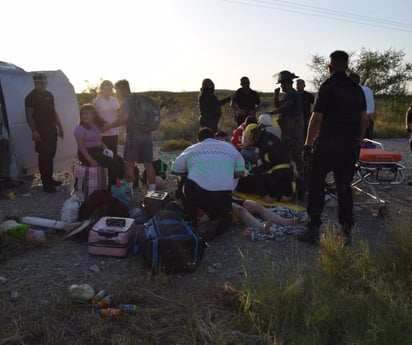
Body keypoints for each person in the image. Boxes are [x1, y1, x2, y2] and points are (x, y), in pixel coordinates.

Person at [297, 50, 369, 245]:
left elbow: (316, 117)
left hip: (327, 145)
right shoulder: (356, 88)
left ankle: (313, 229)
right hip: (348, 147)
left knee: (316, 185)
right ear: (346, 66)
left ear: (330, 66)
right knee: (344, 188)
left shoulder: (328, 87)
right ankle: (346, 232)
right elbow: (364, 118)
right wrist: (359, 141)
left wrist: (307, 145)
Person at [171, 127, 245, 237]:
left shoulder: (193, 148)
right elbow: (241, 172)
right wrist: (225, 173)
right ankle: (217, 221)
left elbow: (175, 169)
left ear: (198, 140)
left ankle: (192, 219)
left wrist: (193, 169)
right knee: (225, 217)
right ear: (215, 137)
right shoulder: (229, 147)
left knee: (182, 179)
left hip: (199, 195)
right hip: (224, 196)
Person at [102, 79, 156, 194]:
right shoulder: (139, 98)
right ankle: (152, 192)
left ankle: (129, 193)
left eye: (116, 90)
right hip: (147, 135)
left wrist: (109, 126)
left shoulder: (127, 100)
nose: (116, 93)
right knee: (148, 164)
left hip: (133, 135)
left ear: (120, 90)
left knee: (130, 164)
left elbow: (123, 119)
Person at [268, 70, 305, 200]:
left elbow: (286, 106)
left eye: (283, 84)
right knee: (285, 153)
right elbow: (279, 105)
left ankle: (302, 185)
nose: (282, 86)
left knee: (297, 154)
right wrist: (275, 96)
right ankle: (289, 181)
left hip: (294, 130)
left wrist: (272, 113)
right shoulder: (288, 94)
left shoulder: (292, 95)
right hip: (287, 129)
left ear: (288, 83)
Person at [25, 73, 64, 193]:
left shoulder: (49, 95)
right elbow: (29, 116)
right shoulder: (30, 97)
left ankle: (50, 179)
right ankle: (46, 184)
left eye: (41, 83)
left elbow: (53, 111)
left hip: (51, 129)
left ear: (46, 83)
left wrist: (60, 126)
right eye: (36, 83)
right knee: (44, 157)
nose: (39, 85)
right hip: (40, 131)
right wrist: (34, 131)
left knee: (51, 155)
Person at [73, 104, 125, 188]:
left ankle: (119, 183)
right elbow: (81, 147)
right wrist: (90, 160)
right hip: (86, 154)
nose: (84, 116)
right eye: (83, 114)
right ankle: (112, 188)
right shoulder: (79, 129)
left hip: (98, 151)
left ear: (93, 115)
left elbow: (99, 141)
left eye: (87, 113)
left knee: (119, 160)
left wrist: (108, 150)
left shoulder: (96, 126)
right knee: (112, 163)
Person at [232, 198, 300, 232]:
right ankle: (262, 228)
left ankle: (284, 221)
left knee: (255, 205)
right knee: (240, 209)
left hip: (229, 197)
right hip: (223, 201)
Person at [92, 80, 120, 153]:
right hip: (102, 132)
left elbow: (118, 114)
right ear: (101, 89)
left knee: (113, 154)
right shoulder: (96, 101)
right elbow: (94, 117)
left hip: (114, 132)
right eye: (106, 89)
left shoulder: (114, 100)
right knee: (104, 154)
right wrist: (101, 126)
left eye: (110, 89)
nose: (108, 92)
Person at [349, 73, 375, 139]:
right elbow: (371, 109)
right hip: (369, 121)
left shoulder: (355, 91)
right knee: (367, 146)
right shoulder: (368, 90)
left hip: (357, 123)